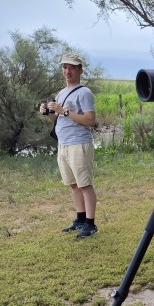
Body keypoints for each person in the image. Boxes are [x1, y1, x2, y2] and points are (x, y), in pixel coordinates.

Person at [40, 52, 99, 239]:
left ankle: (91, 224)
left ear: (80, 70)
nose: (68, 71)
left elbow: (90, 120)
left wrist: (63, 111)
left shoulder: (84, 92)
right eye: (65, 67)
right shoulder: (62, 92)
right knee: (73, 185)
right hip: (64, 145)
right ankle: (80, 220)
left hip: (79, 143)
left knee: (85, 185)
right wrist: (48, 112)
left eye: (72, 68)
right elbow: (56, 119)